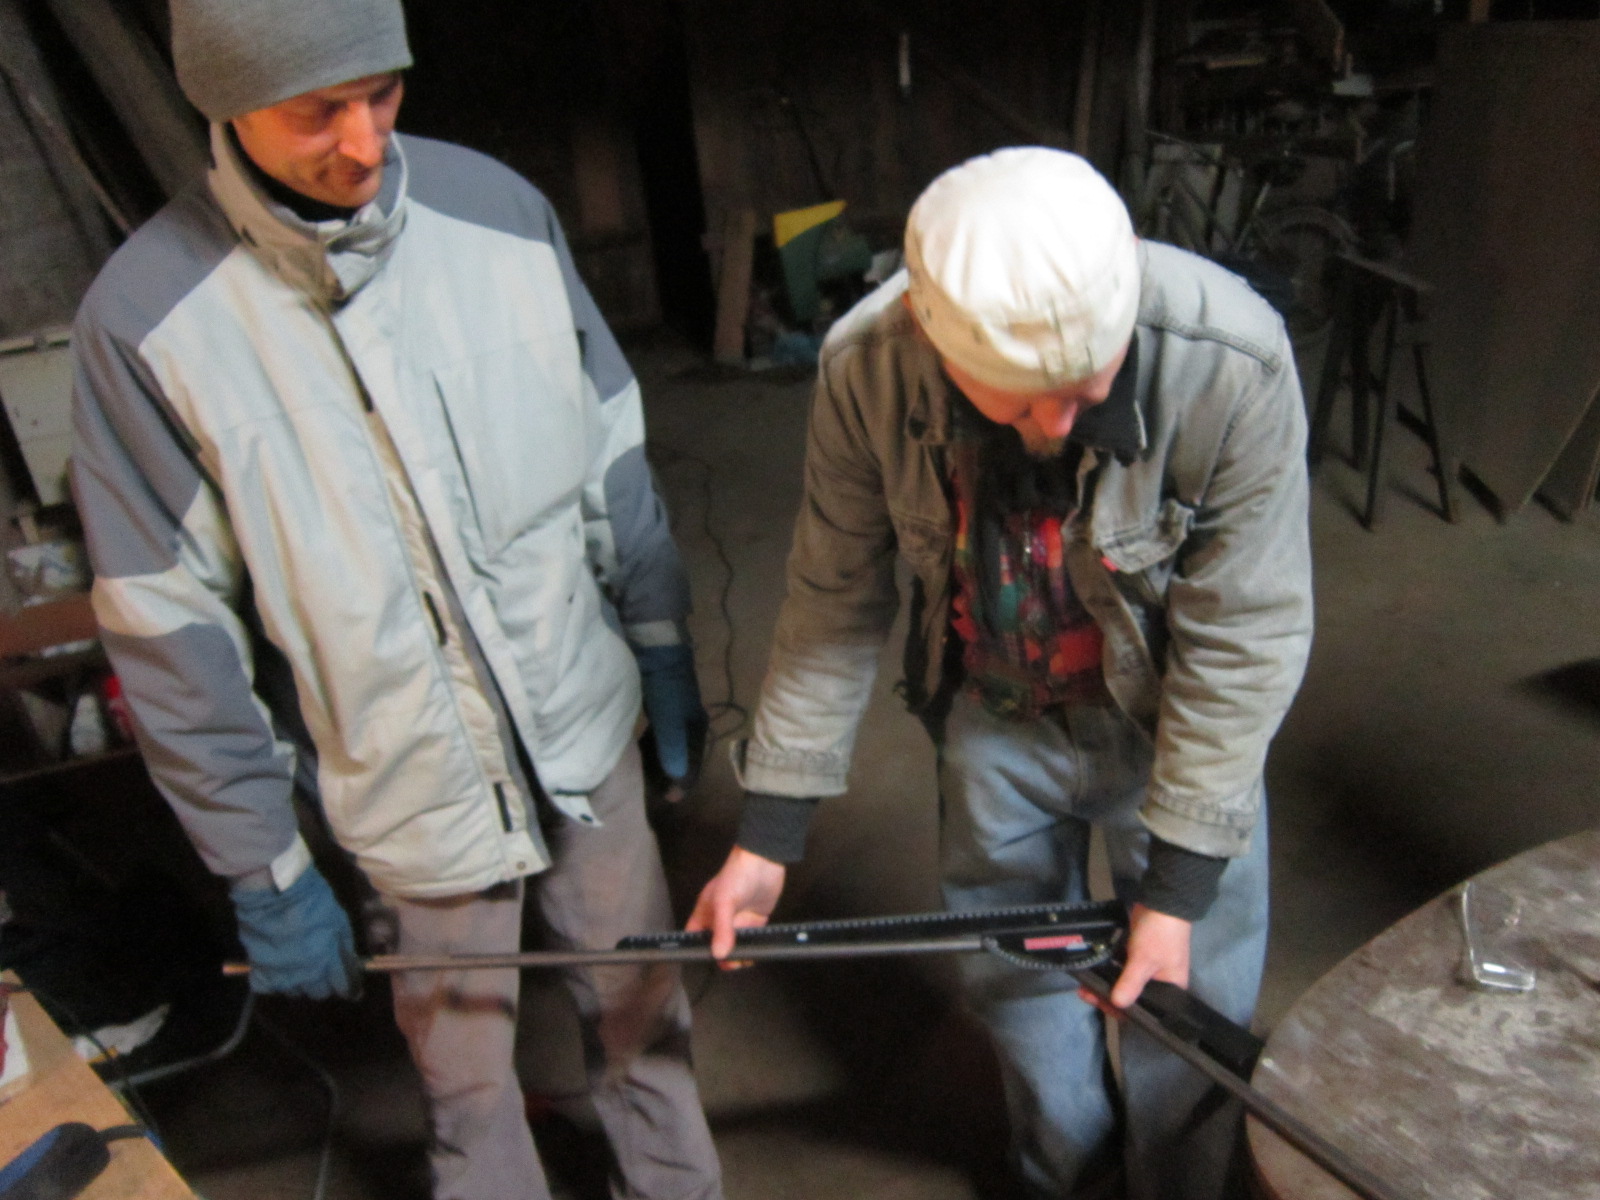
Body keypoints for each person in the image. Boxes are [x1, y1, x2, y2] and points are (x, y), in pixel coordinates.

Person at [68, 3, 722, 1198]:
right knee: (466, 1092)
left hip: (583, 728)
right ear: (224, 103)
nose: (366, 143)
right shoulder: (148, 322)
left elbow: (608, 448)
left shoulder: (498, 214)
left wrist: (658, 633)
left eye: (381, 90)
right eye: (317, 112)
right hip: (409, 787)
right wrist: (261, 863)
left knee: (647, 1023)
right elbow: (169, 627)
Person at [688, 147, 1312, 1200]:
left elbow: (1243, 635)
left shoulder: (1231, 361)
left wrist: (1178, 886)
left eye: (1086, 392)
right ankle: (1066, 1181)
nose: (1057, 428)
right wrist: (768, 832)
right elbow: (832, 596)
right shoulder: (868, 367)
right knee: (1024, 1002)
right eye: (1021, 401)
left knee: (1184, 1010)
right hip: (994, 720)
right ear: (930, 333)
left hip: (1173, 729)